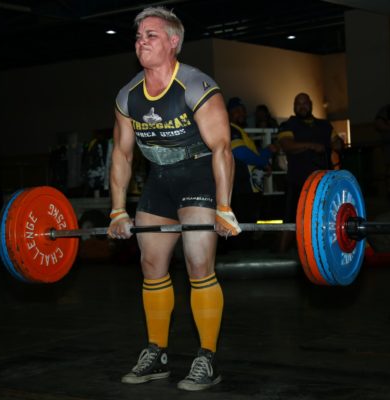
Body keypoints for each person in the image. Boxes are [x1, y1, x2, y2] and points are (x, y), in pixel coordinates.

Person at [107, 6, 241, 391]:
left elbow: (222, 148)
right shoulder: (128, 96)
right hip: (159, 181)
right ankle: (157, 353)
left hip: (199, 174)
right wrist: (117, 210)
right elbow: (122, 155)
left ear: (173, 41)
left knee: (198, 263)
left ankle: (207, 358)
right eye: (138, 37)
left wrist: (224, 207)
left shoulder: (197, 86)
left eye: (150, 35)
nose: (141, 42)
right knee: (151, 265)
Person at [277, 92, 342, 252]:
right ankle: (281, 253)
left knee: (325, 216)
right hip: (298, 180)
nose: (302, 106)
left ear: (311, 105)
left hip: (323, 181)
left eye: (305, 103)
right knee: (291, 217)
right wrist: (312, 145)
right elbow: (287, 145)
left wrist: (335, 143)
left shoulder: (325, 125)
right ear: (294, 106)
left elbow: (337, 143)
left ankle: (323, 251)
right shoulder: (288, 125)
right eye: (298, 103)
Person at [226, 97, 277, 249]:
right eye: (236, 111)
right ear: (228, 114)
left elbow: (250, 154)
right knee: (243, 223)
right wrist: (264, 157)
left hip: (249, 188)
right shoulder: (231, 129)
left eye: (242, 111)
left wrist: (265, 155)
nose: (241, 114)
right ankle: (240, 255)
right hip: (243, 188)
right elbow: (240, 153)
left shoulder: (239, 131)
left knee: (248, 223)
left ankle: (244, 252)